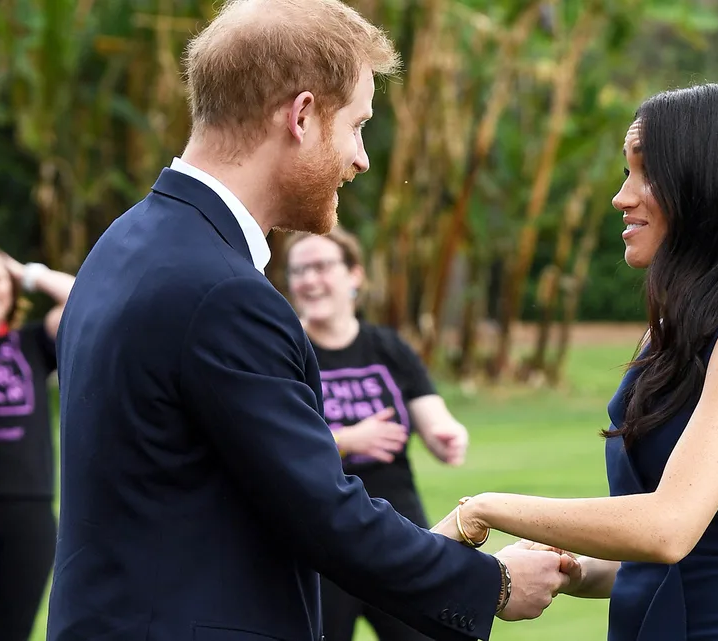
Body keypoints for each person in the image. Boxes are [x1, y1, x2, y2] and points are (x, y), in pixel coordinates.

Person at [47, 2, 571, 641]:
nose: (363, 160)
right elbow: (322, 512)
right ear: (300, 116)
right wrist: (493, 584)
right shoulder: (222, 292)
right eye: (357, 127)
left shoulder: (123, 247)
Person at [433, 83, 718, 641]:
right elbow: (666, 559)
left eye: (646, 173)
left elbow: (667, 528)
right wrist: (577, 570)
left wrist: (486, 510)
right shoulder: (673, 332)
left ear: (711, 184)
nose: (622, 196)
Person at [285, 227, 470, 641]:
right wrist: (347, 440)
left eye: (321, 266)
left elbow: (431, 413)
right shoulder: (285, 349)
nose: (309, 280)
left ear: (355, 276)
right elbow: (274, 444)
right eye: (298, 271)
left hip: (398, 536)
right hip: (320, 544)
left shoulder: (387, 347)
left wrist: (447, 435)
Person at [0, 241, 74, 641]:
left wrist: (26, 271)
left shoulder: (32, 343)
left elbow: (82, 298)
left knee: (12, 633)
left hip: (27, 512)